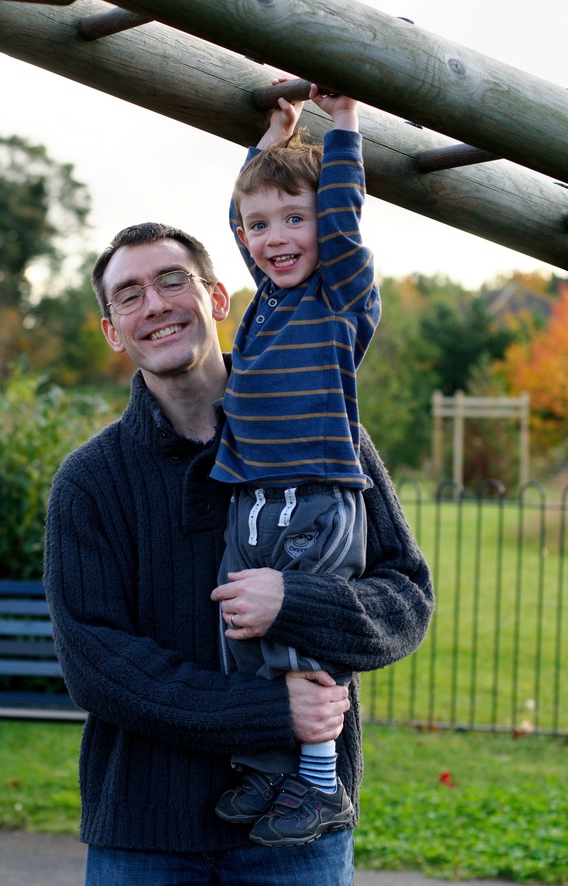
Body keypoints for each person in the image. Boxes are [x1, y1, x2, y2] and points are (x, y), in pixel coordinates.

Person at [43, 218, 433, 886]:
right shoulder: (90, 482)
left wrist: (298, 602)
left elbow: (405, 598)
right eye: (128, 295)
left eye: (172, 281)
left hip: (297, 818)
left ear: (218, 298)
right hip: (143, 826)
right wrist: (268, 710)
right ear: (112, 331)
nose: (155, 305)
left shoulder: (327, 435)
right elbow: (98, 664)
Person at [211, 83, 380, 846]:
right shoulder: (269, 301)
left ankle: (319, 782)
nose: (274, 238)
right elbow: (239, 211)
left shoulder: (335, 294)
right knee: (241, 625)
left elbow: (340, 217)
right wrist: (272, 141)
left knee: (299, 633)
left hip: (315, 493)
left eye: (294, 219)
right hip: (252, 495)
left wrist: (340, 120)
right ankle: (270, 767)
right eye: (260, 226)